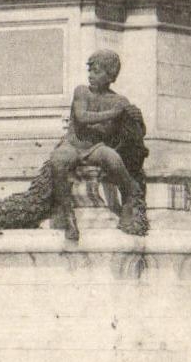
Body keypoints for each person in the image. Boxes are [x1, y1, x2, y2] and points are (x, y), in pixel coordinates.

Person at [48, 50, 146, 242]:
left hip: (95, 147)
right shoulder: (82, 91)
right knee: (58, 160)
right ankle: (67, 214)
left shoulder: (119, 101)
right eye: (90, 71)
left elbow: (137, 133)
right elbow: (82, 117)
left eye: (97, 71)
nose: (91, 75)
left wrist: (138, 120)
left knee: (113, 159)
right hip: (73, 144)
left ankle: (128, 197)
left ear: (110, 75)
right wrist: (114, 113)